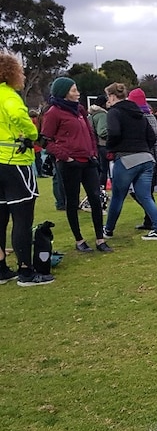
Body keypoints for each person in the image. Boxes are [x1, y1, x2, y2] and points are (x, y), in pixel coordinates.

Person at [0, 51, 54, 285]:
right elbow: (21, 120)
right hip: (14, 161)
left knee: (0, 217)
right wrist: (33, 134)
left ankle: (1, 268)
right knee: (22, 217)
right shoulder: (9, 97)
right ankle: (26, 271)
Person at [41, 77, 112, 253]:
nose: (78, 93)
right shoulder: (53, 113)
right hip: (69, 164)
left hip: (88, 161)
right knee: (72, 202)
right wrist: (65, 157)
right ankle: (79, 240)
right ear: (64, 93)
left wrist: (93, 153)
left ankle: (99, 239)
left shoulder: (80, 111)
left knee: (96, 199)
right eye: (74, 90)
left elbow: (90, 134)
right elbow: (45, 141)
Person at [103, 82, 157, 241]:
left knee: (118, 196)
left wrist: (110, 147)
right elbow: (152, 136)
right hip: (146, 158)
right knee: (145, 196)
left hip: (126, 158)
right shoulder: (139, 113)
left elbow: (114, 133)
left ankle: (108, 230)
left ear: (112, 96)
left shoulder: (114, 112)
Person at [128, 88, 157, 231]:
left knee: (141, 193)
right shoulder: (150, 117)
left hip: (146, 160)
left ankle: (154, 218)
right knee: (145, 192)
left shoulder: (142, 119)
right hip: (153, 159)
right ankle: (150, 218)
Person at [88, 95, 110, 188]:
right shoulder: (102, 115)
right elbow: (102, 131)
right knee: (104, 170)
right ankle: (102, 189)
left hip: (95, 146)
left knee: (97, 170)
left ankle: (97, 189)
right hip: (102, 145)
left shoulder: (92, 115)